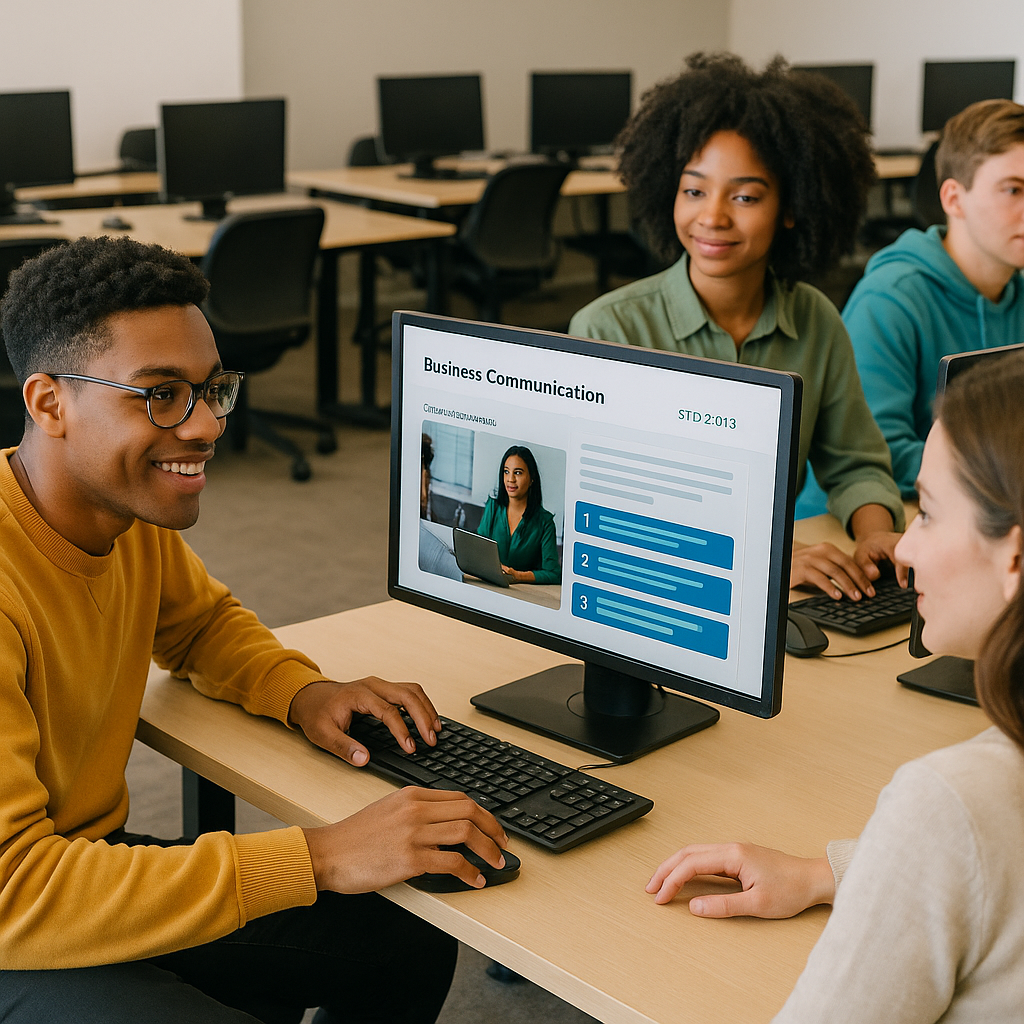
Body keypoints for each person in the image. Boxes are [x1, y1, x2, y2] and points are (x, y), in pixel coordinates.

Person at [0, 236, 510, 1023]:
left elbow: (199, 626)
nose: (205, 426)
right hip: (19, 915)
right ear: (48, 403)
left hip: (80, 864)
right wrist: (321, 855)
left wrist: (301, 691)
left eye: (212, 389)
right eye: (161, 394)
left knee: (403, 934)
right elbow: (14, 892)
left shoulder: (119, 510)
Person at [646, 351, 1024, 1021]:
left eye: (928, 515)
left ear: (1014, 557)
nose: (902, 548)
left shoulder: (953, 802)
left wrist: (908, 853)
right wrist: (840, 873)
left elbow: (965, 833)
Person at [568, 53, 905, 603]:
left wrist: (876, 535)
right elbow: (607, 514)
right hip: (650, 594)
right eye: (694, 190)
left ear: (792, 206)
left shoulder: (815, 319)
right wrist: (764, 561)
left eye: (745, 196)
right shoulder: (609, 328)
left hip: (776, 599)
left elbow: (855, 465)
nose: (714, 217)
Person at [845, 99, 1024, 498]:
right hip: (870, 527)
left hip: (985, 509)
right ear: (953, 199)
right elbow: (877, 454)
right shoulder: (889, 301)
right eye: (1013, 190)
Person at [476, 445, 560, 584]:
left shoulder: (545, 522)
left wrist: (518, 576)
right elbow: (477, 551)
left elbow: (554, 574)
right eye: (506, 472)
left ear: (532, 478)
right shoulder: (493, 507)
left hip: (522, 594)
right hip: (488, 584)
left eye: (518, 473)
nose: (511, 479)